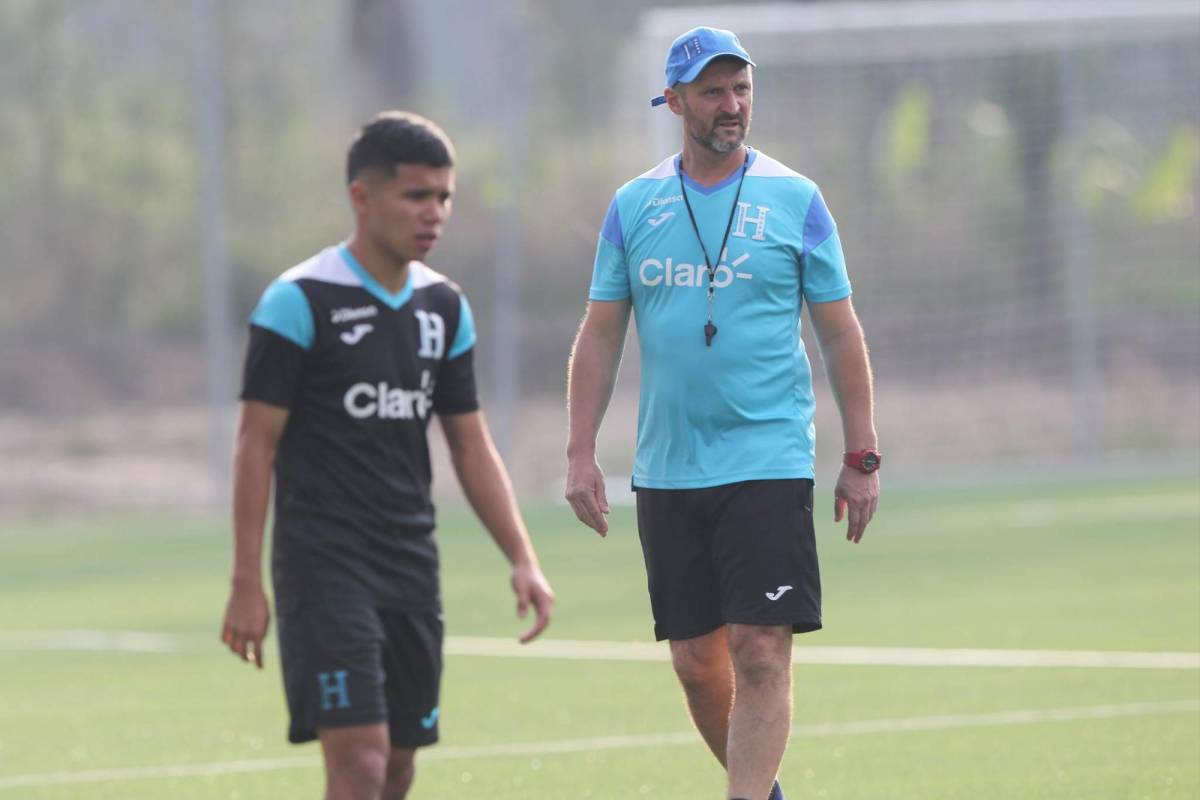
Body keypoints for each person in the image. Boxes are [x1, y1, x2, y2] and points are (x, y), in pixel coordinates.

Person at [565, 27, 880, 800]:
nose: (731, 105)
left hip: (767, 458)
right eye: (712, 91)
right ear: (674, 102)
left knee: (760, 649)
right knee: (697, 665)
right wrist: (580, 452)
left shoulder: (796, 200)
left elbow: (840, 332)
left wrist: (861, 454)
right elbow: (601, 334)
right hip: (668, 465)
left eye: (741, 88)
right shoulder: (633, 206)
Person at [220, 110, 555, 800]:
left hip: (411, 564)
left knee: (400, 766)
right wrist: (247, 581)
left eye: (444, 197)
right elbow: (256, 444)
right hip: (324, 565)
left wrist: (522, 556)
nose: (434, 213)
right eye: (416, 196)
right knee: (362, 762)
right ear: (361, 198)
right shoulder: (298, 300)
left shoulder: (445, 309)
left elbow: (469, 442)